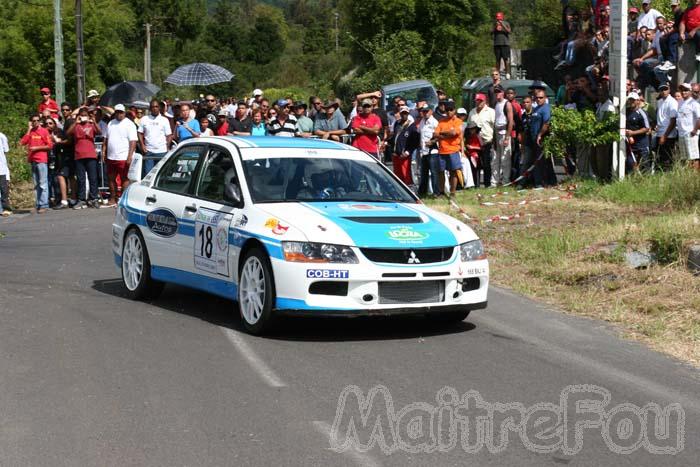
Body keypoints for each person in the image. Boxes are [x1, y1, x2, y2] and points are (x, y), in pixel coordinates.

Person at [103, 104, 137, 206]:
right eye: (117, 112)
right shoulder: (111, 123)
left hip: (123, 157)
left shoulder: (129, 124)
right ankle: (113, 198)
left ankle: (122, 198)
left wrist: (129, 156)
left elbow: (133, 141)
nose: (119, 114)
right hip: (111, 156)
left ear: (124, 112)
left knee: (125, 179)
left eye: (121, 112)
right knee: (111, 178)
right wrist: (104, 151)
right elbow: (106, 139)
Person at [68, 107, 101, 209]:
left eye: (85, 115)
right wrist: (76, 122)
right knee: (81, 179)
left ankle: (94, 198)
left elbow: (99, 132)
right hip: (79, 155)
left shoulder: (91, 125)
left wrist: (94, 121)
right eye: (82, 115)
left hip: (91, 155)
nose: (83, 117)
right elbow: (68, 133)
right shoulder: (76, 126)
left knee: (93, 178)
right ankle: (81, 199)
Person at [20, 114, 53, 213]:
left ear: (40, 121)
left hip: (41, 160)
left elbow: (50, 145)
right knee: (36, 184)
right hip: (33, 160)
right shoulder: (31, 132)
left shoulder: (44, 131)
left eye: (37, 120)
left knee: (43, 183)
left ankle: (44, 204)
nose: (35, 122)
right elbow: (22, 142)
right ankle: (38, 204)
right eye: (33, 121)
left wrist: (37, 148)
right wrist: (28, 129)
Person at [432, 101, 463, 198]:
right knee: (441, 172)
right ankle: (441, 192)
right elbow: (435, 134)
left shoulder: (458, 121)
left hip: (453, 150)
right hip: (442, 151)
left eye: (451, 110)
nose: (449, 112)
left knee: (453, 172)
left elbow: (455, 133)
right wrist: (448, 134)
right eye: (447, 110)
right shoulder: (441, 121)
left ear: (454, 110)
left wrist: (442, 134)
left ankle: (452, 192)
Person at [467, 93, 495, 187]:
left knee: (487, 163)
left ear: (485, 101)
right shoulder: (472, 112)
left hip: (487, 141)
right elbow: (469, 126)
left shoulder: (491, 111)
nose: (478, 103)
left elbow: (494, 126)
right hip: (475, 143)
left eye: (480, 101)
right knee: (475, 163)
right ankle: (476, 184)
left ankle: (487, 183)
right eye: (477, 101)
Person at [138, 99, 172, 175]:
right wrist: (142, 145)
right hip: (149, 152)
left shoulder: (164, 120)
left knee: (160, 174)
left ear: (159, 108)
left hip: (162, 152)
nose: (155, 108)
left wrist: (167, 146)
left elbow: (169, 135)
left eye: (156, 106)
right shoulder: (144, 119)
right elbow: (139, 133)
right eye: (153, 107)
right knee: (148, 174)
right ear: (150, 108)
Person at [530, 90, 554, 187]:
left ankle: (548, 182)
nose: (538, 99)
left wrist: (540, 134)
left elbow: (546, 123)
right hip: (534, 138)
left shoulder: (546, 108)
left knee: (544, 161)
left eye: (541, 97)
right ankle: (540, 182)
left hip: (543, 138)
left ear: (545, 98)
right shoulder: (536, 109)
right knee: (538, 161)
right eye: (537, 98)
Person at [391, 106, 420, 186]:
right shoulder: (397, 123)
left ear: (408, 114)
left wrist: (408, 152)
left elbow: (415, 142)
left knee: (406, 174)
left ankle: (409, 190)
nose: (404, 115)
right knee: (397, 175)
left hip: (404, 155)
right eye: (403, 113)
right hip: (396, 154)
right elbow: (394, 137)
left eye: (406, 113)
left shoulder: (412, 126)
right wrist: (392, 150)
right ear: (400, 113)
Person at [491, 86, 514, 185]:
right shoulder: (496, 104)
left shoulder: (507, 104)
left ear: (503, 92)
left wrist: (507, 137)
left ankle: (505, 180)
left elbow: (510, 121)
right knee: (495, 158)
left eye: (499, 92)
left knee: (505, 159)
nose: (497, 94)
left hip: (504, 132)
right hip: (496, 132)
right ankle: (494, 181)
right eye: (495, 92)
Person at [625, 91, 652, 172]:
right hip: (631, 144)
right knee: (630, 164)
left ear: (638, 101)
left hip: (642, 144)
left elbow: (647, 128)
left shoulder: (642, 113)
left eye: (633, 100)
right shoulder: (626, 111)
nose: (631, 102)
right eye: (630, 100)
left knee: (644, 166)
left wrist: (633, 133)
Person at [676, 83, 700, 170]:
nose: (683, 92)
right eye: (682, 90)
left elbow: (699, 118)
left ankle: (695, 176)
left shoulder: (694, 103)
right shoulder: (680, 102)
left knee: (693, 157)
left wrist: (694, 130)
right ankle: (688, 175)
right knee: (684, 157)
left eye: (686, 90)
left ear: (690, 91)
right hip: (681, 134)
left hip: (690, 134)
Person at [417, 104, 439, 196]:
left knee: (434, 172)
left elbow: (439, 136)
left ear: (431, 111)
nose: (425, 113)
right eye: (424, 111)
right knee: (424, 172)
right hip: (423, 150)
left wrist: (432, 142)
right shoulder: (422, 121)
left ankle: (436, 192)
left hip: (432, 150)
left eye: (427, 111)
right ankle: (422, 192)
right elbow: (420, 134)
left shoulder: (434, 122)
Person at [655, 83, 678, 171]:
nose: (664, 91)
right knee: (659, 157)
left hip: (668, 135)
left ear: (669, 90)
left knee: (667, 158)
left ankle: (668, 176)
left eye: (665, 89)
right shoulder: (659, 101)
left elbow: (673, 120)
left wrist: (664, 136)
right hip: (659, 132)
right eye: (662, 89)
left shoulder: (672, 102)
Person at [492, 12, 512, 78]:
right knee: (497, 59)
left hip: (505, 44)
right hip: (497, 44)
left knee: (505, 59)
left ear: (502, 18)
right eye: (497, 18)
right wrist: (496, 26)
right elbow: (491, 32)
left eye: (499, 18)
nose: (498, 20)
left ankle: (507, 73)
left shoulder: (506, 23)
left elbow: (509, 31)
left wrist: (502, 25)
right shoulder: (495, 24)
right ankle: (497, 74)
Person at [0, 129, 11, 216]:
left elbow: (6, 150)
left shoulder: (2, 136)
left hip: (1, 168)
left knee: (4, 190)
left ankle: (5, 208)